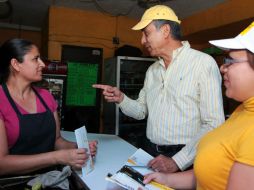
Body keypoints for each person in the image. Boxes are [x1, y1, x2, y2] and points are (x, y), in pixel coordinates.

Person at [93, 5, 224, 172]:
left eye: (146, 33)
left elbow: (214, 123)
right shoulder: (152, 71)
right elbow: (141, 111)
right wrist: (121, 99)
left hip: (186, 156)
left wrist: (177, 161)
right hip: (149, 150)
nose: (142, 41)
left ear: (165, 30)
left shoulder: (203, 63)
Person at [142, 21, 254, 190]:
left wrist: (177, 162)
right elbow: (212, 173)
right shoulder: (242, 111)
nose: (223, 68)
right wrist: (166, 180)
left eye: (232, 61)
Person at [0, 38, 97, 176]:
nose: (42, 64)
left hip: (50, 177)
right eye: (36, 59)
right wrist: (57, 157)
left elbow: (56, 141)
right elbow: (2, 164)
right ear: (16, 64)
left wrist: (78, 148)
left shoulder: (46, 96)